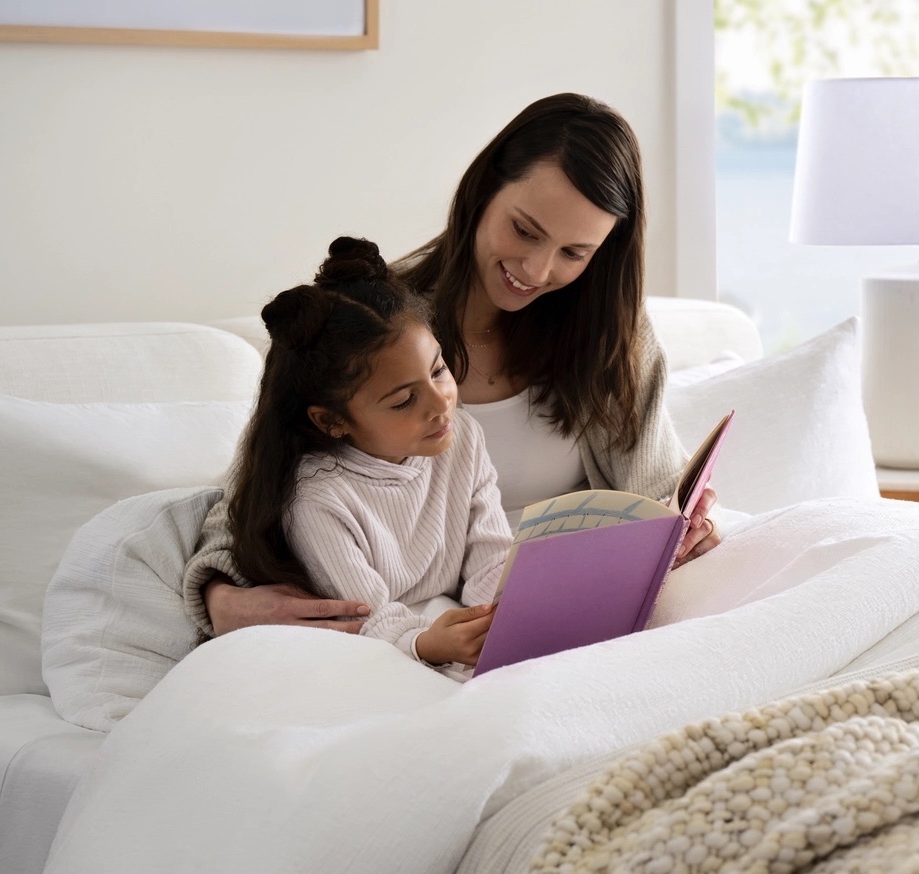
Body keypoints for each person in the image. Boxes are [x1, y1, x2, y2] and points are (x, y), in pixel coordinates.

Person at [183, 94, 721, 637]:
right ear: (483, 191)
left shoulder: (613, 337)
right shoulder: (379, 323)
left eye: (574, 254)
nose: (536, 270)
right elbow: (255, 486)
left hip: (556, 603)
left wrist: (688, 529)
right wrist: (219, 596)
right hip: (412, 620)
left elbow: (657, 491)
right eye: (525, 231)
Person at [232, 238, 507, 672]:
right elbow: (364, 615)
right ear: (331, 421)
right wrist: (426, 643)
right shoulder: (317, 497)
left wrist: (498, 613)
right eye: (403, 401)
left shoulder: (462, 437)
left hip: (449, 634)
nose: (441, 403)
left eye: (438, 370)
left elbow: (490, 554)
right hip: (379, 653)